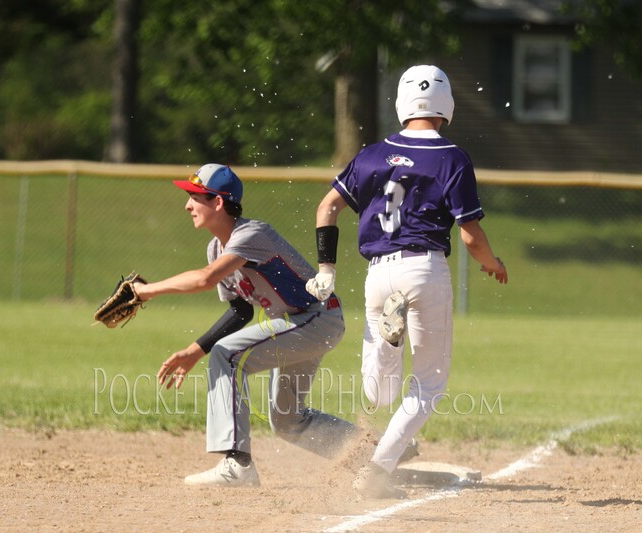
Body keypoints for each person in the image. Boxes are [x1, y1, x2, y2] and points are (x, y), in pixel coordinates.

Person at [306, 64, 508, 498]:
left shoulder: (372, 154)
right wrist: (492, 263)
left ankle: (389, 343)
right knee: (430, 384)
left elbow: (326, 209)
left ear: (402, 102)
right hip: (424, 268)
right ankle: (377, 470)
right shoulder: (452, 157)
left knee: (378, 395)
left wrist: (326, 271)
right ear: (445, 105)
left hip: (379, 272)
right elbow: (470, 236)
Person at [134, 163, 357, 487]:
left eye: (195, 196)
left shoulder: (251, 234)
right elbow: (240, 312)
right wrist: (196, 350)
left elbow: (204, 280)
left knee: (227, 355)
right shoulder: (216, 248)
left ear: (218, 202)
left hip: (315, 317)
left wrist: (146, 291)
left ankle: (238, 464)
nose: (187, 205)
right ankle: (378, 453)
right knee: (287, 420)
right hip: (301, 323)